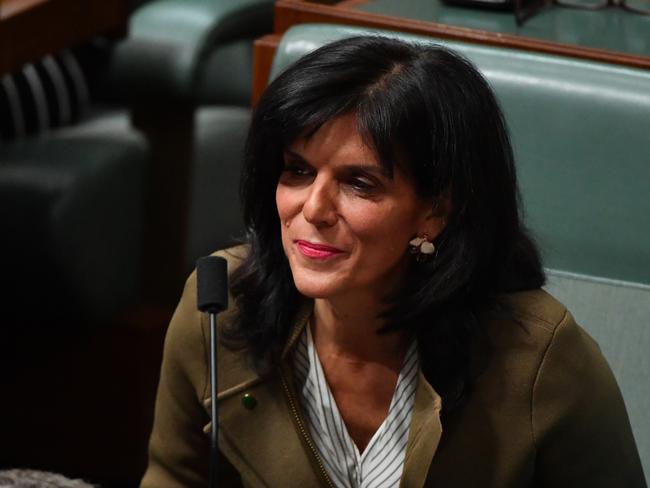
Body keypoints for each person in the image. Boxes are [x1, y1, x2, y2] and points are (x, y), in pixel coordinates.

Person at [141, 35, 645, 487]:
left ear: (436, 212)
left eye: (360, 183)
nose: (312, 209)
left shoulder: (540, 360)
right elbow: (173, 476)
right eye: (297, 170)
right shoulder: (217, 306)